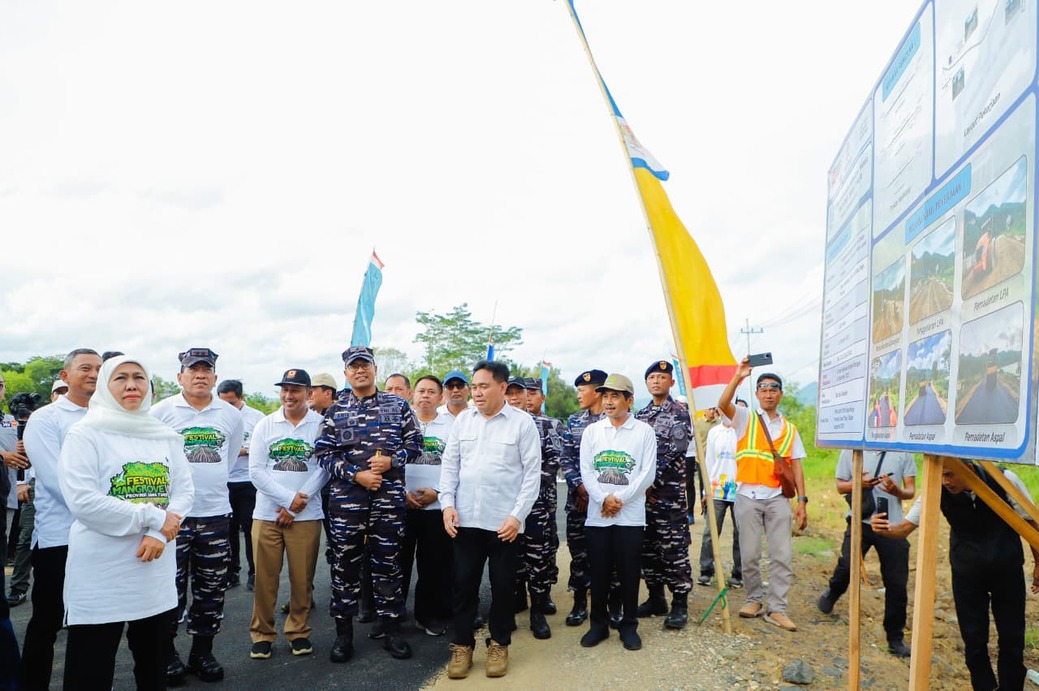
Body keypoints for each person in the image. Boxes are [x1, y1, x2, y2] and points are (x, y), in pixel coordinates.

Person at [58, 356, 194, 690]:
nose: (131, 384)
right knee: (90, 670)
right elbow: (83, 501)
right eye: (120, 378)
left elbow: (184, 491)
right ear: (105, 386)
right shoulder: (86, 433)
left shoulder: (164, 436)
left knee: (153, 667)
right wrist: (154, 517)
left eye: (138, 377)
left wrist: (158, 534)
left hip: (154, 570)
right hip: (102, 574)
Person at [872, 459, 1039, 690]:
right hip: (966, 573)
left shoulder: (1003, 480)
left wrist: (1038, 563)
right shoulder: (935, 488)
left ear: (968, 469)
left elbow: (1032, 523)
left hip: (1007, 570)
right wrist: (884, 529)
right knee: (973, 639)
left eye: (950, 474)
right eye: (942, 475)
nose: (945, 481)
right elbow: (904, 529)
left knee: (1012, 637)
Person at [314, 346, 422, 664]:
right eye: (354, 367)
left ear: (375, 369)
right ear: (346, 373)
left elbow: (416, 443)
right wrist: (355, 475)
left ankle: (392, 630)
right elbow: (323, 454)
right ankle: (343, 634)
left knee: (388, 565)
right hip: (347, 503)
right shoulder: (335, 410)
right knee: (344, 566)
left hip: (388, 502)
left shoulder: (397, 405)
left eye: (365, 365)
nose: (360, 370)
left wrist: (392, 460)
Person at [441, 360, 541, 679]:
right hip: (465, 519)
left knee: (503, 586)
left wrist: (517, 516)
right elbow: (450, 466)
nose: (477, 392)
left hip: (504, 523)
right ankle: (462, 646)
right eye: (474, 386)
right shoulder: (464, 420)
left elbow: (531, 475)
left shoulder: (522, 423)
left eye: (484, 386)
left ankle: (499, 643)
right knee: (463, 584)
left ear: (502, 387)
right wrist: (447, 504)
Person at [152, 347, 244, 684]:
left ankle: (202, 652)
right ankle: (166, 654)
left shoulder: (230, 415)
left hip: (216, 514)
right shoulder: (160, 412)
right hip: (174, 517)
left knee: (211, 589)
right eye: (193, 370)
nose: (200, 375)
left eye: (206, 370)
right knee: (169, 588)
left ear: (215, 377)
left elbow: (229, 460)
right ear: (180, 376)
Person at [19, 348, 102, 690]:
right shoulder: (46, 419)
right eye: (85, 368)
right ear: (65, 376)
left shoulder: (107, 415)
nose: (94, 374)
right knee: (47, 621)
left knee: (93, 625)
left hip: (103, 538)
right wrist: (108, 511)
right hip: (60, 538)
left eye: (99, 368)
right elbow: (56, 482)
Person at [718, 358, 808, 632]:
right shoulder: (745, 419)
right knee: (749, 554)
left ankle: (777, 609)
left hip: (778, 498)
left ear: (781, 394)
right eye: (763, 389)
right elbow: (723, 404)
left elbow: (797, 467)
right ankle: (754, 599)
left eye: (773, 389)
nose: (768, 393)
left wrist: (802, 501)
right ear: (757, 394)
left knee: (782, 555)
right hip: (747, 496)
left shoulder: (790, 429)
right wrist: (738, 376)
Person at [247, 369, 328, 660]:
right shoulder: (265, 425)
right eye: (285, 390)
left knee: (302, 578)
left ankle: (298, 631)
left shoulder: (321, 425)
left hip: (305, 515)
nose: (289, 395)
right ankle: (262, 634)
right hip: (266, 514)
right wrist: (287, 500)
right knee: (265, 579)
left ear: (309, 393)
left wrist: (296, 505)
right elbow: (256, 471)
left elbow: (324, 468)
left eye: (295, 390)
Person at [578, 374, 657, 652]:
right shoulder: (592, 432)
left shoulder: (644, 432)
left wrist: (619, 499)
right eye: (605, 396)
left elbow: (647, 474)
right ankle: (597, 625)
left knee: (629, 573)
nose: (609, 402)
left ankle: (629, 625)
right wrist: (603, 499)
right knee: (598, 572)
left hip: (630, 516)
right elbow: (586, 470)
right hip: (598, 515)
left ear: (629, 400)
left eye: (615, 396)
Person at [817, 449, 916, 657]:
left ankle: (895, 637)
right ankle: (833, 592)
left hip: (892, 525)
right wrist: (859, 483)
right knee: (847, 564)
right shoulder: (851, 450)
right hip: (860, 520)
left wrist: (897, 491)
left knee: (896, 582)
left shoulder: (903, 452)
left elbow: (910, 491)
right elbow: (840, 486)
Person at [634, 361, 693, 630]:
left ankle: (680, 603)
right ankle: (656, 598)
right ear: (646, 383)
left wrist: (648, 483)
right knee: (648, 548)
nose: (656, 381)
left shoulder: (680, 413)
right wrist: (639, 486)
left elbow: (674, 452)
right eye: (652, 377)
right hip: (643, 497)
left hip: (668, 496)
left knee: (673, 548)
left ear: (671, 382)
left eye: (662, 377)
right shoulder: (640, 415)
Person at [400, 375, 454, 637]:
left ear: (441, 397)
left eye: (432, 392)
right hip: (402, 506)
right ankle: (392, 616)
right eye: (421, 391)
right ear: (412, 394)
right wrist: (402, 494)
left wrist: (439, 494)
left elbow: (459, 467)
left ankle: (427, 615)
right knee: (397, 563)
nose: (425, 396)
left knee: (432, 565)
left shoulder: (452, 426)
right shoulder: (400, 423)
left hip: (436, 508)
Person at [559, 368, 608, 627]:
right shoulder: (574, 421)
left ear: (597, 392)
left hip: (608, 502)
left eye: (582, 390)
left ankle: (610, 605)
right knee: (579, 554)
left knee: (608, 555)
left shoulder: (616, 420)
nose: (578, 395)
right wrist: (580, 486)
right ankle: (579, 603)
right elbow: (565, 458)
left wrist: (597, 493)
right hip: (579, 501)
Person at [515, 377, 562, 639]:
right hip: (506, 503)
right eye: (509, 393)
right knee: (511, 555)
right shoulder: (498, 424)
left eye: (523, 393)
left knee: (539, 555)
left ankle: (538, 607)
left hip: (537, 502)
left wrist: (524, 487)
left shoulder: (546, 425)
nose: (515, 398)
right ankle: (516, 597)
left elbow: (553, 462)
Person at [217, 379, 266, 592]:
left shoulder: (257, 418)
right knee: (228, 529)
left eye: (231, 403)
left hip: (248, 481)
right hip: (224, 482)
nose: (227, 407)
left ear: (241, 397)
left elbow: (265, 447)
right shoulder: (216, 415)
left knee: (249, 529)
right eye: (223, 402)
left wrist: (245, 450)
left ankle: (255, 573)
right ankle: (231, 572)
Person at [698, 402, 746, 589]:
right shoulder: (714, 432)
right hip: (717, 489)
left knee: (740, 533)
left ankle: (738, 573)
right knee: (711, 531)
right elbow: (709, 461)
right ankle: (706, 570)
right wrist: (706, 490)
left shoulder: (744, 432)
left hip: (740, 490)